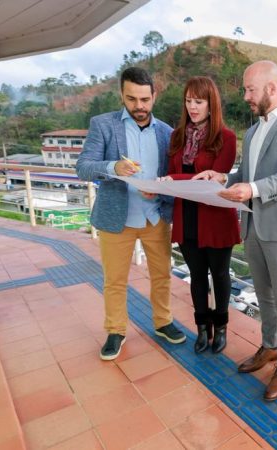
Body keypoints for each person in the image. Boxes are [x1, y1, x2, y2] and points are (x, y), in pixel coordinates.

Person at [194, 60, 277, 401]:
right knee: (264, 295)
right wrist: (222, 177)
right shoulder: (252, 132)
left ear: (271, 88)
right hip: (252, 225)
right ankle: (270, 346)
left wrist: (252, 190)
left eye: (250, 89)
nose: (246, 96)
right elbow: (245, 175)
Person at [76, 67, 185, 361]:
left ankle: (163, 322)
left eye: (145, 99)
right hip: (117, 219)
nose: (139, 106)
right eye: (132, 99)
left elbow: (172, 176)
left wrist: (159, 191)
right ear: (122, 95)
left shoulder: (167, 133)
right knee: (114, 280)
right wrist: (113, 167)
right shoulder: (103, 124)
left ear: (154, 96)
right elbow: (83, 167)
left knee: (161, 275)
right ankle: (115, 330)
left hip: (155, 217)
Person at [162, 76, 240, 354]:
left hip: (215, 217)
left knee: (219, 274)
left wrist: (173, 179)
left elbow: (213, 179)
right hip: (187, 216)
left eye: (199, 101)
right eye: (188, 101)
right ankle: (202, 329)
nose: (192, 107)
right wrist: (169, 180)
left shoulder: (226, 138)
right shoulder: (177, 136)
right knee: (196, 275)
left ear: (211, 104)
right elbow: (173, 174)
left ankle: (221, 328)